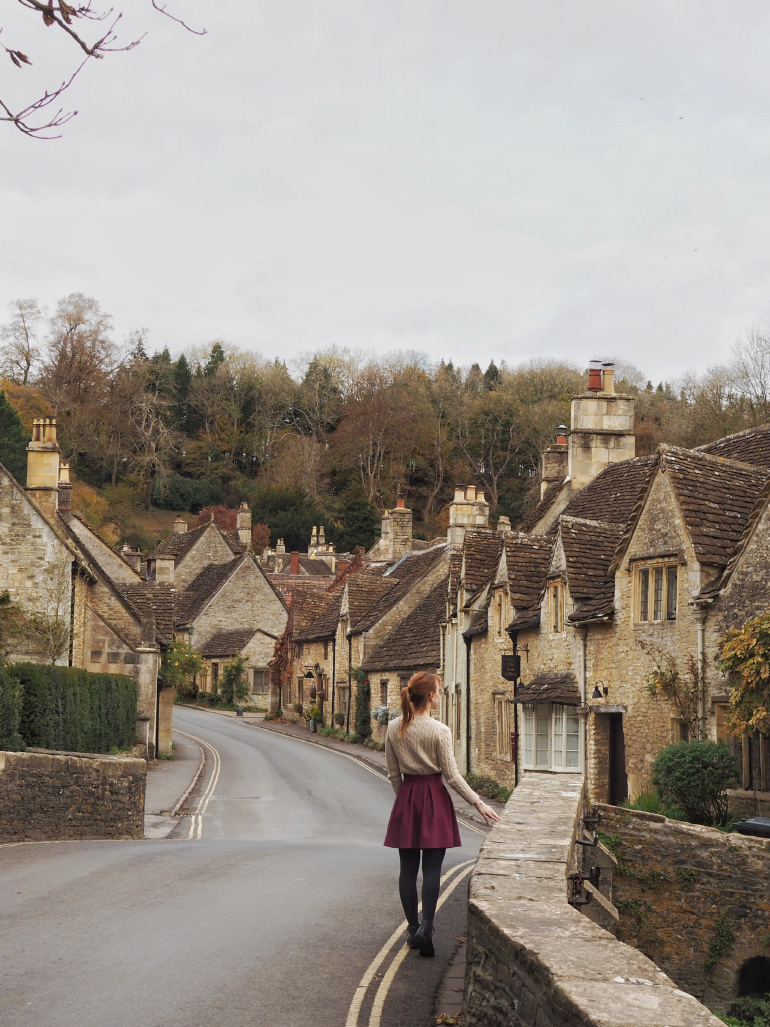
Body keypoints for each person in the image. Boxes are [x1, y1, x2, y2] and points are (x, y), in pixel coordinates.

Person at [384, 671, 501, 958]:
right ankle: (427, 926)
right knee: (433, 869)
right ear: (432, 696)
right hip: (434, 798)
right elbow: (452, 776)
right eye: (439, 690)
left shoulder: (393, 727)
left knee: (408, 871)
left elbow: (393, 774)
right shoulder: (440, 730)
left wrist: (404, 803)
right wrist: (478, 803)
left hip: (407, 798)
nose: (440, 694)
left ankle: (413, 930)